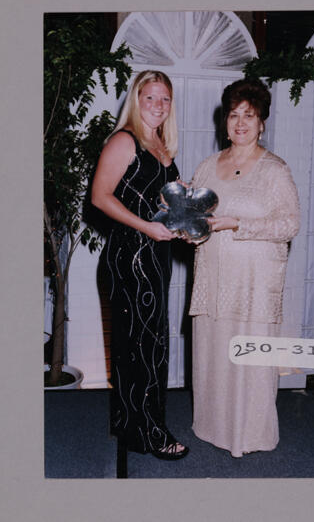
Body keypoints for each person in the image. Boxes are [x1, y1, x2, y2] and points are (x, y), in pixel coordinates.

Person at [188, 78, 300, 458]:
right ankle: (212, 427)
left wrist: (239, 224)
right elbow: (199, 221)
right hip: (214, 278)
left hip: (255, 282)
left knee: (251, 359)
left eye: (248, 116)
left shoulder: (274, 170)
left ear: (262, 123)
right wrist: (192, 233)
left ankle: (249, 436)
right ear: (225, 121)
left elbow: (290, 224)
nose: (240, 123)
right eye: (234, 115)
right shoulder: (207, 166)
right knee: (214, 353)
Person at [91, 70, 189, 460]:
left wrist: (182, 225)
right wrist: (147, 227)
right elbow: (100, 197)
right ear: (136, 99)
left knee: (141, 345)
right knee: (146, 347)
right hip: (129, 257)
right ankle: (151, 433)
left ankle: (129, 424)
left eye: (165, 98)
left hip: (153, 256)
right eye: (150, 97)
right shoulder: (124, 141)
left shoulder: (163, 148)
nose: (158, 105)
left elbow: (163, 205)